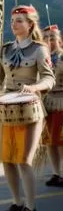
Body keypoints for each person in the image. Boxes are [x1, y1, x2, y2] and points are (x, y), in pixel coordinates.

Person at [0, 6, 55, 211]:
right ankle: (17, 202)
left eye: (19, 21)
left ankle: (31, 207)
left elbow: (49, 79)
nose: (14, 24)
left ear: (30, 24)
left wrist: (34, 88)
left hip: (30, 110)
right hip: (6, 110)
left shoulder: (40, 50)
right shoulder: (4, 50)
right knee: (7, 159)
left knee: (24, 159)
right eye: (13, 20)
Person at [42, 24, 63, 186]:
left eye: (53, 38)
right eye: (46, 38)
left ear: (60, 41)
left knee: (62, 141)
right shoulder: (41, 59)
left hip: (62, 102)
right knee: (50, 141)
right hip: (46, 104)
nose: (49, 41)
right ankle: (56, 173)